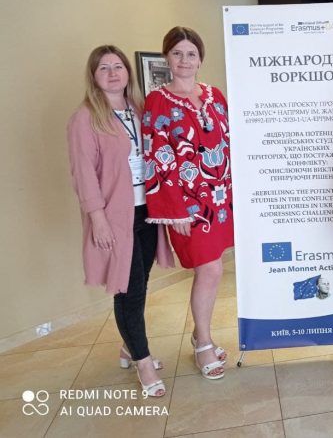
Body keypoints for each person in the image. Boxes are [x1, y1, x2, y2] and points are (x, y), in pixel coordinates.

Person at [67, 45, 175, 397]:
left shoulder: (139, 110)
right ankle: (142, 361)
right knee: (128, 289)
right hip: (115, 216)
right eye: (103, 68)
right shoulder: (85, 118)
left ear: (128, 72)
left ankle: (130, 347)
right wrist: (97, 219)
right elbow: (84, 174)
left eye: (118, 66)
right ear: (93, 76)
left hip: (148, 211)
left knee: (140, 282)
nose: (112, 73)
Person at [143, 26, 233, 380]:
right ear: (167, 57)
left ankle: (201, 332)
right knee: (210, 269)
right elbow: (156, 158)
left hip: (220, 197)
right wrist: (173, 210)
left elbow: (230, 141)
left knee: (214, 267)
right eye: (177, 53)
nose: (184, 60)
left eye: (191, 53)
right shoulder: (158, 101)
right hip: (187, 205)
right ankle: (203, 342)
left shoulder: (214, 95)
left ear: (200, 59)